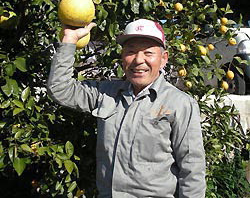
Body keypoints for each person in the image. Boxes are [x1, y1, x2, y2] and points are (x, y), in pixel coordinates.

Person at [47, 19, 206, 198]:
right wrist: (69, 40)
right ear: (122, 57)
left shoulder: (180, 103)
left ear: (163, 59)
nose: (138, 60)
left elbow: (192, 168)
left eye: (148, 53)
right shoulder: (106, 94)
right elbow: (60, 90)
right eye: (130, 52)